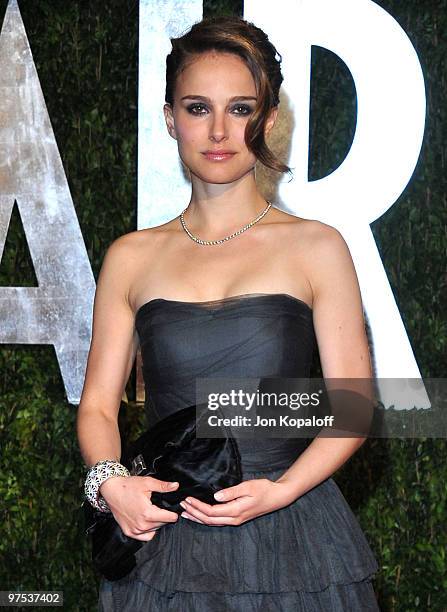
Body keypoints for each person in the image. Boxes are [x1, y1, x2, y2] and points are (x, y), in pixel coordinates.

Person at [77, 15, 380, 611]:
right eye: (197, 108)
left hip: (291, 528)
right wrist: (110, 483)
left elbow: (354, 403)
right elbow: (96, 406)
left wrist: (280, 491)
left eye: (240, 109)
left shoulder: (316, 246)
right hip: (167, 536)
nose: (218, 130)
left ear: (267, 119)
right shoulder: (131, 257)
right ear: (170, 118)